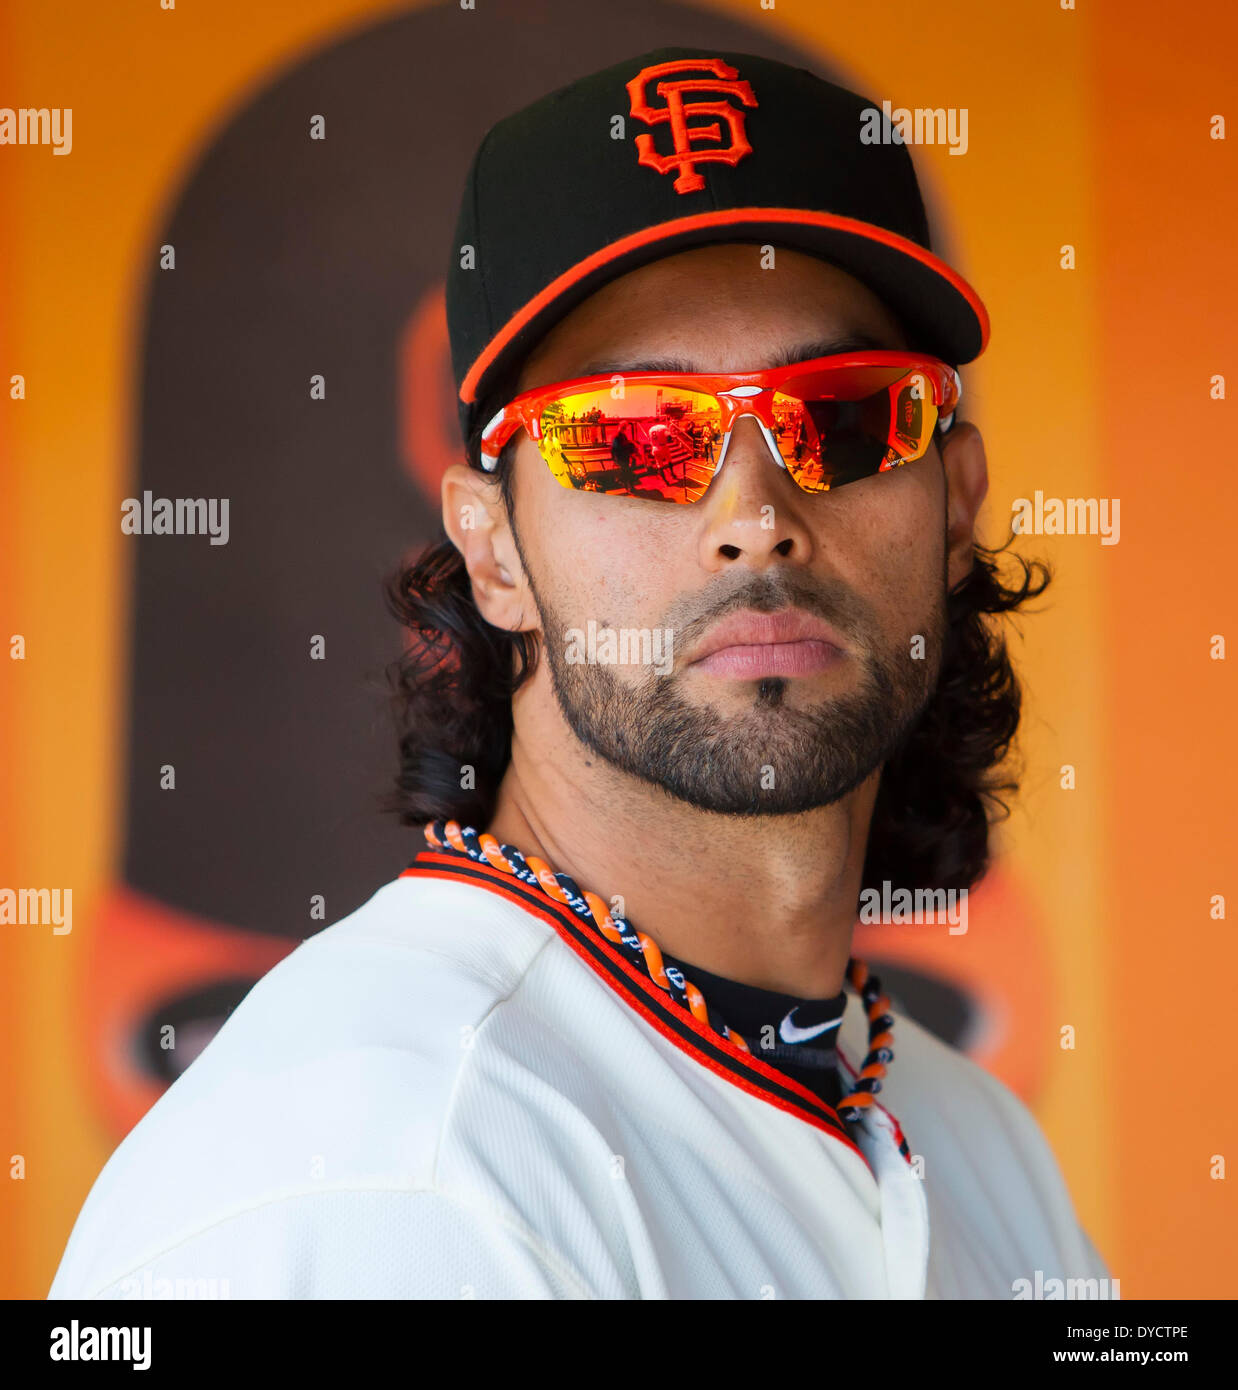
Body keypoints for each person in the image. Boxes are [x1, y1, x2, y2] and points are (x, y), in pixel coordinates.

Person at [49, 46, 1107, 1301]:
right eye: (632, 436)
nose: (753, 513)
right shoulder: (375, 1176)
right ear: (490, 549)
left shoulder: (979, 1147)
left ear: (952, 504)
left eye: (841, 413)